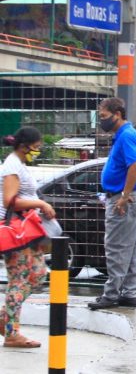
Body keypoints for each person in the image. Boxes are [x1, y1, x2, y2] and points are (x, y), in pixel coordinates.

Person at [89, 97, 136, 310]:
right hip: (130, 198)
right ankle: (128, 293)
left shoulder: (126, 136)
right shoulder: (123, 135)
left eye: (104, 116)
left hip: (124, 200)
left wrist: (124, 195)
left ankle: (111, 294)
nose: (102, 121)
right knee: (131, 249)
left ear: (118, 113)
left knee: (115, 248)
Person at [0, 128, 55, 347]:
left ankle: (5, 319)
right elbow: (9, 200)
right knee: (20, 280)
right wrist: (41, 203)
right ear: (26, 146)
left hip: (26, 230)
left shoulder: (18, 164)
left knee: (38, 274)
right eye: (38, 147)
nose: (38, 151)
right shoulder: (12, 166)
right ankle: (12, 332)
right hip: (16, 232)